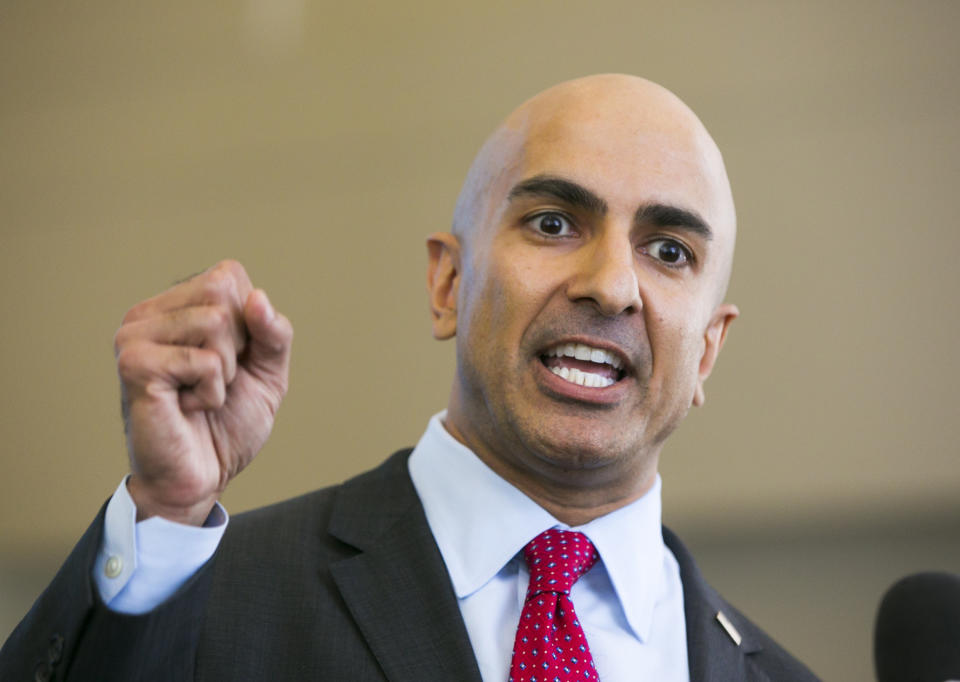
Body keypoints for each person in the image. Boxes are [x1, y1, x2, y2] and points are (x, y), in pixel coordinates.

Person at [1, 74, 819, 681]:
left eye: (669, 250)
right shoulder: (208, 598)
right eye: (553, 222)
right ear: (447, 284)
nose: (610, 285)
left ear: (708, 348)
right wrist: (165, 517)